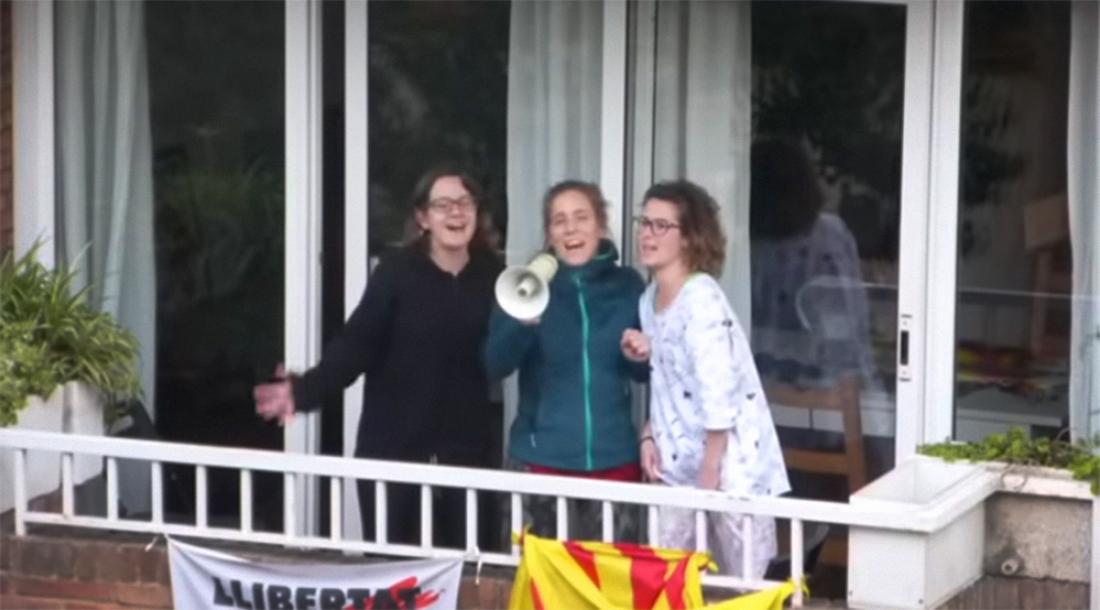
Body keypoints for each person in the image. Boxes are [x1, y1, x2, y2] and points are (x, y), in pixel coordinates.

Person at [254, 165, 503, 549]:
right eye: (443, 204)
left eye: (464, 202)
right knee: (394, 571)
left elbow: (506, 353)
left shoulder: (494, 277)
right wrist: (303, 391)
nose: (456, 212)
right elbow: (356, 345)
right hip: (392, 450)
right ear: (423, 218)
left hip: (467, 455)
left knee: (473, 572)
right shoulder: (396, 273)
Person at [621, 179, 790, 578]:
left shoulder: (701, 297)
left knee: (743, 587)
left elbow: (719, 391)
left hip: (731, 472)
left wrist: (709, 479)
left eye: (662, 225)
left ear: (688, 237)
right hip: (677, 468)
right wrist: (649, 434)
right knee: (672, 581)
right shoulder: (648, 299)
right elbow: (669, 380)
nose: (647, 234)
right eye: (644, 222)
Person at [485, 180, 646, 540]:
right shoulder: (525, 286)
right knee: (535, 572)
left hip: (613, 460)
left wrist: (638, 355)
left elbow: (644, 373)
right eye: (559, 221)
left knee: (607, 573)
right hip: (540, 461)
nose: (570, 228)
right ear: (549, 235)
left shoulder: (628, 285)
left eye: (581, 217)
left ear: (601, 226)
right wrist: (521, 324)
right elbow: (495, 364)